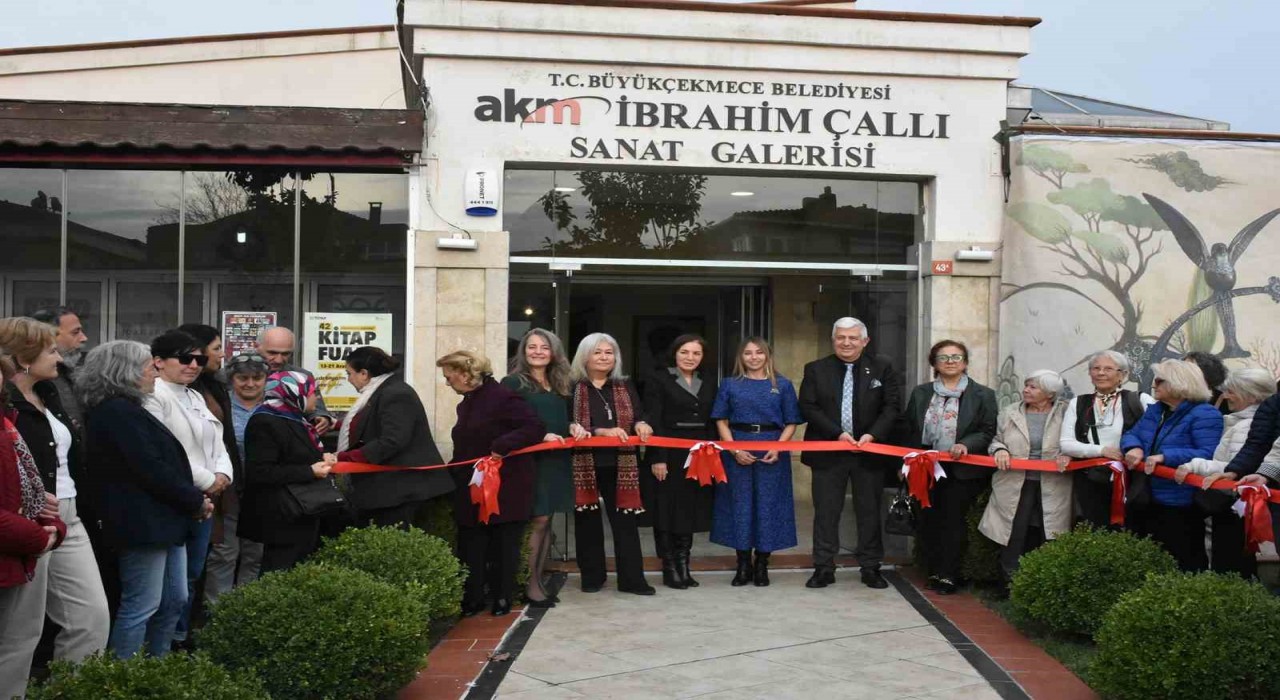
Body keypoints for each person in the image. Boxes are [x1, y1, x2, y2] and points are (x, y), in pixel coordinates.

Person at [78, 340, 211, 659]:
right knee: (142, 604)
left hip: (164, 521)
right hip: (142, 523)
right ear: (124, 371)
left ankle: (156, 666)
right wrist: (194, 500)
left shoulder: (128, 409)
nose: (155, 372)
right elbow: (149, 467)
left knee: (175, 599)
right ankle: (125, 675)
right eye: (148, 366)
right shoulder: (116, 412)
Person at [0, 318, 110, 665]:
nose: (59, 358)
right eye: (50, 351)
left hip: (70, 516)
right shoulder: (7, 403)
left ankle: (71, 688)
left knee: (92, 617)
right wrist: (30, 494)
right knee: (21, 631)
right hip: (29, 521)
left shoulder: (50, 393)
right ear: (24, 357)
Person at [144, 330, 233, 648]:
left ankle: (178, 639)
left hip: (206, 497)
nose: (194, 365)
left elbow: (219, 442)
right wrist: (208, 480)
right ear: (158, 361)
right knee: (168, 586)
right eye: (185, 358)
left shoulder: (194, 395)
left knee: (192, 575)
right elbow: (164, 452)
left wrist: (223, 474)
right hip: (175, 497)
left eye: (199, 359)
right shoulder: (153, 395)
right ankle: (160, 647)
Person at [799, 317, 902, 589]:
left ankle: (870, 567)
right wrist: (837, 434)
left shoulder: (882, 368)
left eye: (853, 338)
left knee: (869, 512)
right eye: (841, 337)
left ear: (865, 341)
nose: (846, 342)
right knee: (826, 512)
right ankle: (823, 567)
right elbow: (808, 407)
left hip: (868, 451)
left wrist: (873, 435)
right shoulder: (816, 369)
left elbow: (892, 406)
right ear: (833, 340)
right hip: (829, 451)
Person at [438, 351, 544, 616]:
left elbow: (534, 427)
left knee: (504, 544)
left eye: (449, 377)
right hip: (472, 484)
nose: (447, 383)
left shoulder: (503, 397)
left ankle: (502, 598)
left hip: (505, 486)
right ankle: (473, 598)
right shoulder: (467, 402)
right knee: (471, 543)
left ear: (465, 374)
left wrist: (502, 445)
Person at [903, 340, 998, 595]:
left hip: (961, 469)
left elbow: (988, 430)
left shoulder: (983, 395)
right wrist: (906, 462)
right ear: (934, 363)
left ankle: (948, 574)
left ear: (965, 362)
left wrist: (966, 444)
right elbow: (909, 427)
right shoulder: (921, 393)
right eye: (943, 357)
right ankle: (932, 570)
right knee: (928, 520)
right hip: (925, 467)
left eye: (956, 357)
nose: (950, 362)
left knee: (953, 522)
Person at [0, 348, 67, 700]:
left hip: (17, 551)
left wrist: (54, 528)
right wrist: (39, 538)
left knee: (19, 637)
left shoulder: (7, 422)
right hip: (18, 543)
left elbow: (29, 488)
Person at [501, 329, 586, 604]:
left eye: (544, 347)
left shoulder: (560, 382)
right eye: (532, 347)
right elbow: (505, 422)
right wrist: (538, 436)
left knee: (547, 519)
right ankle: (529, 585)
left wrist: (573, 426)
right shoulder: (512, 383)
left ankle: (538, 578)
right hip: (529, 461)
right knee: (537, 519)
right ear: (523, 351)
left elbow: (561, 417)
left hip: (556, 460)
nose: (537, 352)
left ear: (553, 352)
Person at [710, 337, 802, 587]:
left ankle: (762, 563)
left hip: (773, 448)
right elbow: (720, 420)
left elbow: (792, 421)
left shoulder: (782, 385)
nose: (753, 357)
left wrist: (778, 447)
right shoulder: (729, 384)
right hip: (737, 446)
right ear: (741, 357)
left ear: (768, 355)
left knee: (768, 505)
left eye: (759, 352)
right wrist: (733, 449)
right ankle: (743, 564)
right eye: (748, 353)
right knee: (740, 505)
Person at [570, 333, 655, 595]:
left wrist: (641, 424)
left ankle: (632, 580)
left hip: (621, 463)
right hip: (584, 462)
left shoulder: (624, 385)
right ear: (585, 357)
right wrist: (599, 431)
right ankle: (592, 577)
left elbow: (638, 415)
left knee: (625, 523)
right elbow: (567, 422)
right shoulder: (573, 386)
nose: (604, 357)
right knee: (587, 521)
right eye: (597, 352)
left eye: (609, 352)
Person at [1120, 359, 1224, 571]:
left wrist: (1166, 457)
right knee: (1146, 559)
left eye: (1160, 381)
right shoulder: (1156, 410)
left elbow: (1208, 453)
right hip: (1147, 495)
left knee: (1182, 559)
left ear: (1179, 383)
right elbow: (1132, 434)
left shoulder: (1205, 414)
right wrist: (1133, 447)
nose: (1153, 385)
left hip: (1180, 500)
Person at [334, 347, 454, 528]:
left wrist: (346, 458)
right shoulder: (382, 390)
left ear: (364, 374)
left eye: (349, 374)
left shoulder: (395, 393)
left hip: (400, 490)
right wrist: (335, 424)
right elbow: (370, 421)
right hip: (388, 488)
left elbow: (393, 440)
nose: (348, 379)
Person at [1175, 367, 1275, 578]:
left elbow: (1235, 467)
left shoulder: (1246, 426)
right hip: (1232, 508)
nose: (1226, 396)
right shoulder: (1238, 421)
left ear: (1252, 396)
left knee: (1231, 567)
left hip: (1234, 510)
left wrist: (1195, 465)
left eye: (1232, 391)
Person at [978, 370, 1070, 587]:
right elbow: (995, 439)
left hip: (1054, 484)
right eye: (1026, 385)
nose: (1026, 390)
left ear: (1049, 393)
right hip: (1015, 482)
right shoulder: (1010, 411)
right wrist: (1000, 449)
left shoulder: (1066, 412)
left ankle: (1045, 586)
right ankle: (1010, 584)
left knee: (1051, 533)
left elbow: (1074, 440)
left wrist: (1068, 454)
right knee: (1013, 534)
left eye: (1033, 387)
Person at [642, 334, 719, 590]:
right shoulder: (658, 378)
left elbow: (712, 420)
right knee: (666, 510)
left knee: (689, 510)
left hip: (698, 452)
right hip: (668, 453)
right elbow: (654, 419)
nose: (690, 357)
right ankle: (669, 567)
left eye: (696, 353)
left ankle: (684, 565)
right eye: (684, 352)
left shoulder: (708, 380)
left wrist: (711, 453)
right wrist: (658, 457)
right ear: (674, 353)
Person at [240, 371, 336, 573]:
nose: (316, 398)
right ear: (295, 393)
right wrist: (309, 471)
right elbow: (260, 471)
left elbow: (298, 453)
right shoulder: (266, 420)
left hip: (302, 511)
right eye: (312, 392)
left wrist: (322, 457)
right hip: (281, 515)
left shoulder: (296, 418)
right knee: (279, 570)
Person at [1058, 350, 1154, 529]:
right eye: (1096, 368)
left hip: (1132, 480)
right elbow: (1066, 444)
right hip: (1091, 481)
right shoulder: (1078, 403)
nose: (1101, 373)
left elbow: (1156, 435)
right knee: (1096, 530)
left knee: (1134, 529)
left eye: (1108, 369)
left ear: (1123, 375)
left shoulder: (1140, 400)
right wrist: (1102, 451)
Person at [202, 353, 267, 605]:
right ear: (232, 379)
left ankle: (245, 609)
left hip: (262, 491)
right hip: (227, 490)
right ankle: (217, 613)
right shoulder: (222, 406)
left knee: (255, 553)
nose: (250, 384)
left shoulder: (275, 405)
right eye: (243, 378)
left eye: (257, 378)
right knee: (224, 552)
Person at [255, 326, 333, 434]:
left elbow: (317, 409)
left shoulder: (302, 376)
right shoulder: (237, 374)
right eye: (272, 353)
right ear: (256, 347)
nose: (278, 360)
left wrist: (321, 418)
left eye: (285, 354)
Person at [30, 307, 89, 436]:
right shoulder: (28, 381)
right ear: (48, 336)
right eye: (75, 332)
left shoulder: (68, 374)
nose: (84, 338)